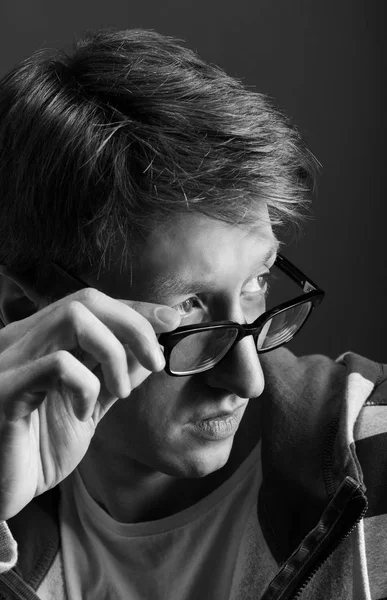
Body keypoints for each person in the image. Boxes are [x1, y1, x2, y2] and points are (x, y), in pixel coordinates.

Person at [0, 28, 385, 600]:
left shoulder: (374, 455)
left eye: (257, 282)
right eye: (186, 308)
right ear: (25, 310)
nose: (247, 377)